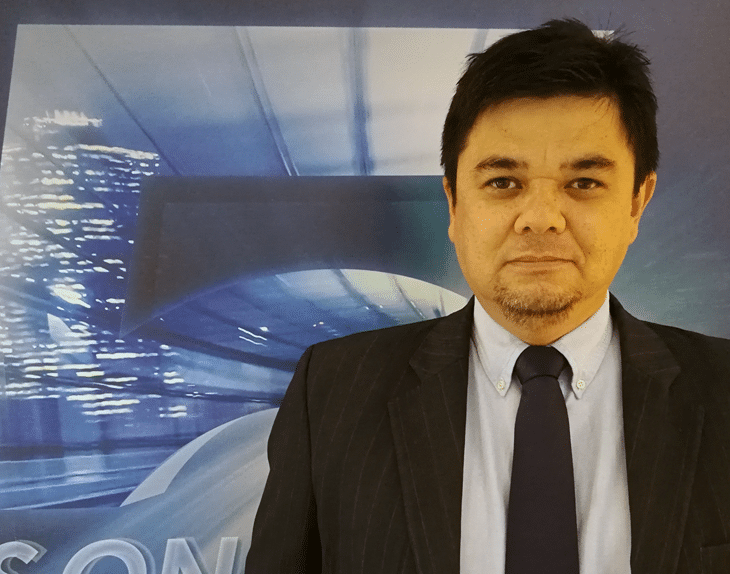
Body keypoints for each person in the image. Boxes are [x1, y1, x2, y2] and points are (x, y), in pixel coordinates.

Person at [245, 19, 730, 574]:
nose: (541, 218)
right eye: (503, 182)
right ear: (454, 203)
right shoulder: (332, 394)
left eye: (584, 183)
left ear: (637, 203)